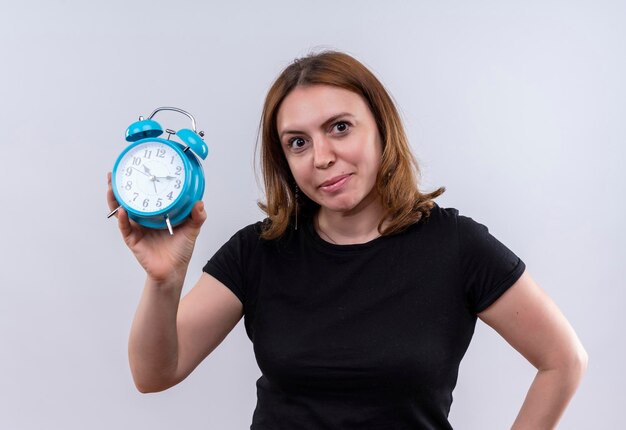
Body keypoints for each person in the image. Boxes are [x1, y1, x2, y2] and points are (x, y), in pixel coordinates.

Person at [107, 51, 588, 429]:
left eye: (339, 128)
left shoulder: (457, 246)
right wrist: (164, 279)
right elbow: (154, 374)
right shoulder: (258, 251)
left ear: (381, 128)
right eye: (298, 142)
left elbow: (563, 360)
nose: (322, 157)